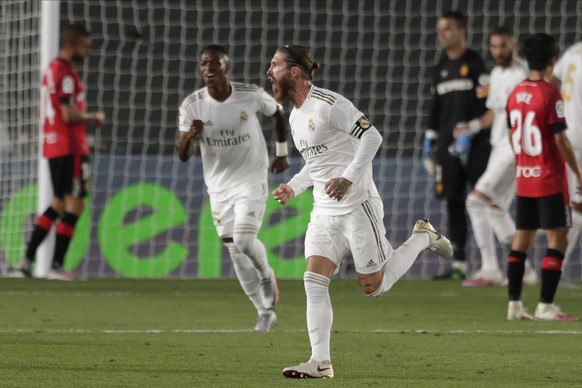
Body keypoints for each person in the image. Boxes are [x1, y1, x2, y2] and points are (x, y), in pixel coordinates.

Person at [268, 44, 453, 379]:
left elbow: (373, 137)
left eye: (275, 65)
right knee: (313, 280)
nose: (269, 72)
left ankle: (423, 237)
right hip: (323, 212)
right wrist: (293, 187)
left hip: (358, 205)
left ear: (294, 71)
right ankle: (320, 362)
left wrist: (349, 178)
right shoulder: (295, 116)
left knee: (373, 287)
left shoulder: (329, 104)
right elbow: (316, 163)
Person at [176, 44, 289, 332]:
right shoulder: (192, 106)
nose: (208, 68)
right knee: (234, 251)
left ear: (227, 68)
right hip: (219, 187)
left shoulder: (249, 95)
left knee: (244, 240)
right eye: (204, 63)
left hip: (251, 179)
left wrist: (281, 152)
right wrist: (190, 135)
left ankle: (266, 275)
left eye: (215, 63)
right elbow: (182, 154)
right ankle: (264, 312)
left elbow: (277, 112)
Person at [15, 24, 105, 280]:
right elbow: (67, 113)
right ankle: (56, 266)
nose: (87, 51)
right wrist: (93, 117)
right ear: (71, 45)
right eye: (85, 46)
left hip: (53, 145)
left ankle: (26, 261)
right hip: (72, 146)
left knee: (58, 203)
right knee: (74, 205)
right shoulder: (65, 73)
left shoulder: (51, 70)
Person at [505, 33, 582, 321]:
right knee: (558, 239)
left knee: (521, 241)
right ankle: (546, 306)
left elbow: (514, 136)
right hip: (549, 178)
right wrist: (577, 172)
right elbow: (561, 140)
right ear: (552, 61)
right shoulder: (550, 95)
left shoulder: (516, 92)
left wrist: (523, 162)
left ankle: (514, 305)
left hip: (525, 177)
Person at [456, 27, 537, 287]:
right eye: (493, 46)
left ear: (513, 44)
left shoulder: (522, 74)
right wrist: (471, 127)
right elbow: (493, 112)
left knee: (475, 201)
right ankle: (525, 271)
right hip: (498, 145)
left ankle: (490, 268)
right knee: (495, 208)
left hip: (514, 149)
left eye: (503, 45)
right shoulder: (496, 73)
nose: (498, 51)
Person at [422, 10, 491, 280]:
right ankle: (459, 264)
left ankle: (493, 262)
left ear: (462, 31)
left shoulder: (475, 64)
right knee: (453, 202)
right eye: (440, 29)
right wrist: (430, 139)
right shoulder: (440, 68)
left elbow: (485, 104)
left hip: (476, 144)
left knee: (484, 200)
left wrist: (471, 132)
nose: (442, 34)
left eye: (447, 29)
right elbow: (436, 108)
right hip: (447, 146)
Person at [550, 41, 582, 287]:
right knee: (577, 208)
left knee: (577, 207)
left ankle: (555, 268)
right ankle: (555, 269)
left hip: (569, 137)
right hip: (579, 140)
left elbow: (554, 82)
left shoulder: (573, 50)